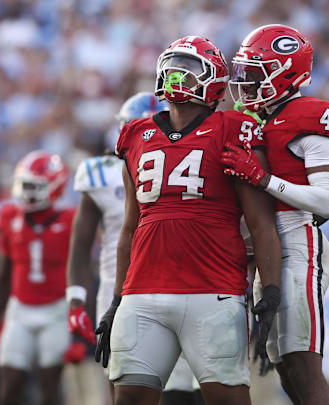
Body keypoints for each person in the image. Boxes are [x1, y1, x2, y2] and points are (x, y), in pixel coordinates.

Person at [95, 36, 283, 405]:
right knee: (130, 397)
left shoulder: (234, 127)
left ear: (213, 79)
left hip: (212, 290)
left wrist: (270, 291)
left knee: (226, 399)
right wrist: (117, 298)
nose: (177, 73)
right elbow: (131, 226)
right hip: (143, 291)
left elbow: (260, 223)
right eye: (173, 63)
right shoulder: (135, 134)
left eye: (190, 66)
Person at [222, 23, 329, 405]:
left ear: (286, 74)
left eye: (255, 74)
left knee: (304, 365)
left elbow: (327, 201)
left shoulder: (309, 115)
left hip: (298, 240)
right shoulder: (255, 118)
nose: (244, 84)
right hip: (264, 248)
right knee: (286, 369)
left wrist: (264, 179)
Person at [68, 92, 201, 405]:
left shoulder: (187, 160)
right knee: (121, 378)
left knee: (180, 382)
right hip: (119, 284)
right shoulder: (99, 173)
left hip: (175, 280)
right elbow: (81, 243)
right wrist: (75, 299)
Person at [0, 150, 75, 405]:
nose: (25, 192)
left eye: (33, 186)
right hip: (20, 309)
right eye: (23, 184)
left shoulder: (72, 219)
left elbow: (82, 273)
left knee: (50, 390)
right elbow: (3, 275)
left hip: (57, 311)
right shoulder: (8, 216)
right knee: (9, 389)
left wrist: (82, 326)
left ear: (55, 187)